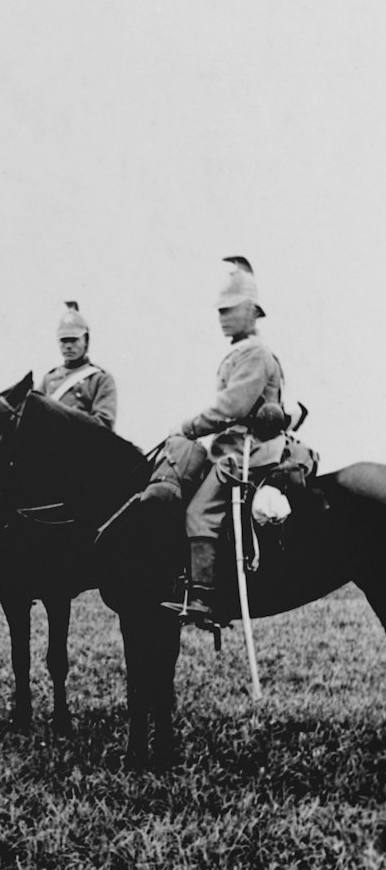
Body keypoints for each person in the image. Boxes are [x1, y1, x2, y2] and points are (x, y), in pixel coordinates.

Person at [161, 257, 288, 626]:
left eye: (230, 310)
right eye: (219, 311)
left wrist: (187, 427)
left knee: (199, 511)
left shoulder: (254, 354)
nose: (222, 317)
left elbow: (230, 406)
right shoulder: (242, 351)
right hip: (234, 446)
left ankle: (202, 598)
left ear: (251, 311)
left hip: (249, 450)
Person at [38, 301, 118, 429]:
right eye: (64, 340)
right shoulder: (49, 379)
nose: (68, 346)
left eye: (74, 340)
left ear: (86, 340)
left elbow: (104, 424)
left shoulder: (100, 379)